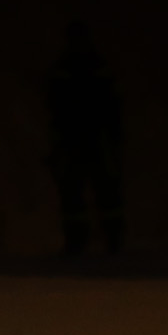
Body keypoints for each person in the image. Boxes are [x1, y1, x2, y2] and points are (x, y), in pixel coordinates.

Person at [46, 16, 128, 257]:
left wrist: (114, 135)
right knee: (73, 192)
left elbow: (112, 104)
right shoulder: (67, 68)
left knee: (106, 190)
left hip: (95, 137)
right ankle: (78, 241)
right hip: (74, 138)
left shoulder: (95, 66)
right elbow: (54, 106)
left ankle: (113, 239)